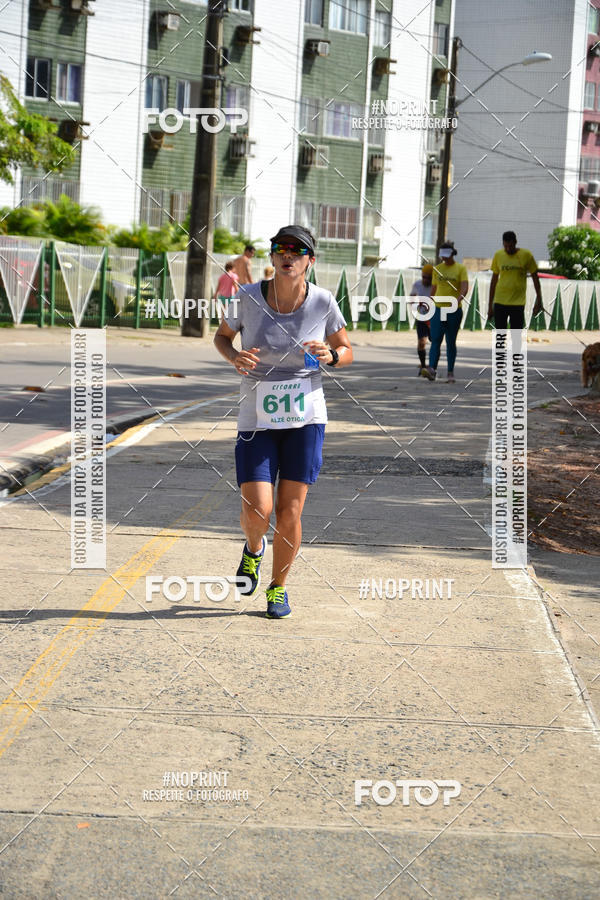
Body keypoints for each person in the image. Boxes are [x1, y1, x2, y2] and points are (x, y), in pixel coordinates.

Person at [214, 225, 353, 619]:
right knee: (258, 509)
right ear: (272, 257)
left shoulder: (323, 302)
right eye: (280, 250)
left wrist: (332, 355)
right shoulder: (247, 297)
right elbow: (222, 338)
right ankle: (253, 550)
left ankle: (278, 588)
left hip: (305, 417)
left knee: (289, 512)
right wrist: (234, 357)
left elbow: (346, 349)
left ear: (311, 260)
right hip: (256, 415)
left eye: (297, 250)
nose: (287, 256)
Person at [422, 241, 468, 384]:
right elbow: (434, 289)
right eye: (442, 256)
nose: (444, 259)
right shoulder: (437, 269)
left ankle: (450, 372)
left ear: (452, 254)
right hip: (438, 308)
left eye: (446, 256)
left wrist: (457, 300)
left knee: (450, 341)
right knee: (435, 340)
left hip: (453, 310)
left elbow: (465, 287)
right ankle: (432, 370)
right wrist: (428, 303)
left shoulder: (460, 269)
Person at [488, 230, 542, 328]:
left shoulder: (526, 255)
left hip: (518, 303)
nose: (508, 249)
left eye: (510, 246)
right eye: (505, 246)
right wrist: (490, 306)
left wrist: (539, 300)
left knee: (516, 337)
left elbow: (536, 279)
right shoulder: (498, 255)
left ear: (515, 242)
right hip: (500, 301)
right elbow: (493, 281)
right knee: (500, 337)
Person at [409, 263, 433, 375]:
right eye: (424, 277)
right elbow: (412, 297)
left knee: (434, 341)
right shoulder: (417, 284)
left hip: (434, 318)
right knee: (422, 342)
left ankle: (433, 365)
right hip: (422, 317)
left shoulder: (435, 286)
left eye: (429, 278)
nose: (426, 280)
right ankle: (423, 366)